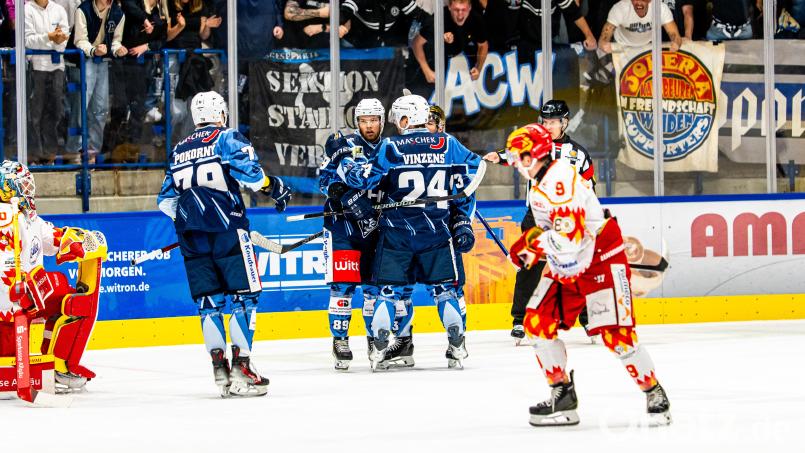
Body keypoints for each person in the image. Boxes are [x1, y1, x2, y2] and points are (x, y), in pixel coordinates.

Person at [503, 123, 671, 426]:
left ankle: (653, 392)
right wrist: (530, 247)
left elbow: (570, 238)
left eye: (518, 157)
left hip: (600, 259)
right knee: (536, 323)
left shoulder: (560, 181)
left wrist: (532, 245)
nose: (515, 163)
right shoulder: (540, 184)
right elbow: (553, 234)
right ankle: (562, 395)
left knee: (616, 335)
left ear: (533, 155)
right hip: (567, 263)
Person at [330, 94, 483, 370]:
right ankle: (457, 345)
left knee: (387, 292)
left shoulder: (391, 146)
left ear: (404, 119)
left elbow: (361, 179)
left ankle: (379, 345)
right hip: (437, 230)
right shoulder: (447, 143)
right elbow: (476, 168)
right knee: (445, 291)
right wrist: (462, 213)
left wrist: (342, 157)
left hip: (397, 233)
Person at [156, 91, 292, 397]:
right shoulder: (227, 137)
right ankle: (242, 368)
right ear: (220, 114)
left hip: (191, 236)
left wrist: (196, 219)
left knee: (208, 302)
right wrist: (274, 186)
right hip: (228, 230)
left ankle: (219, 367)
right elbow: (253, 178)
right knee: (245, 298)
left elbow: (165, 201)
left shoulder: (179, 149)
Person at [484, 100, 595, 344]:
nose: (548, 126)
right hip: (536, 215)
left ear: (564, 123)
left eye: (553, 122)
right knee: (530, 266)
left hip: (568, 217)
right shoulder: (534, 146)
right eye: (545, 122)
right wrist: (498, 156)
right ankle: (520, 319)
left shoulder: (578, 154)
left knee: (576, 266)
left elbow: (588, 186)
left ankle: (588, 319)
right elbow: (515, 154)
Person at [0, 160, 107, 393]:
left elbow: (53, 238)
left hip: (27, 297)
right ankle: (59, 366)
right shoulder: (6, 219)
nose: (29, 189)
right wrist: (13, 293)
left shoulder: (27, 216)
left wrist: (80, 240)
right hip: (11, 302)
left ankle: (57, 363)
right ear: (9, 187)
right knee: (73, 297)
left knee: (70, 298)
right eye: (24, 185)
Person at [69, 0, 125, 163]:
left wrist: (118, 49)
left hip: (103, 61)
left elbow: (115, 41)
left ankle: (92, 150)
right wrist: (94, 50)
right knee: (81, 106)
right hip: (84, 60)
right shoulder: (83, 9)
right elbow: (80, 40)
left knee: (101, 108)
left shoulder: (118, 13)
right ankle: (75, 150)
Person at [25, 0, 70, 165]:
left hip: (57, 66)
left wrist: (56, 41)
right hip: (36, 67)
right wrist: (49, 37)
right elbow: (28, 40)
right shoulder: (27, 9)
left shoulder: (59, 9)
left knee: (56, 111)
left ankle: (50, 154)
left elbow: (64, 40)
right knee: (36, 113)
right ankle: (36, 155)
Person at [412, 0, 488, 84]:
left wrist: (478, 68)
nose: (460, 14)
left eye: (464, 10)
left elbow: (483, 45)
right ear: (449, 7)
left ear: (469, 8)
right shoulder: (439, 18)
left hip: (455, 56)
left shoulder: (476, 19)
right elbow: (416, 43)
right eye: (456, 10)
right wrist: (426, 70)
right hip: (430, 58)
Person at [598, 0, 682, 54]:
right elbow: (605, 34)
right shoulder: (620, 8)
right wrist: (603, 43)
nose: (638, 3)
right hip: (621, 45)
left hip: (648, 45)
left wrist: (676, 42)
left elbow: (674, 34)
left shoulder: (661, 8)